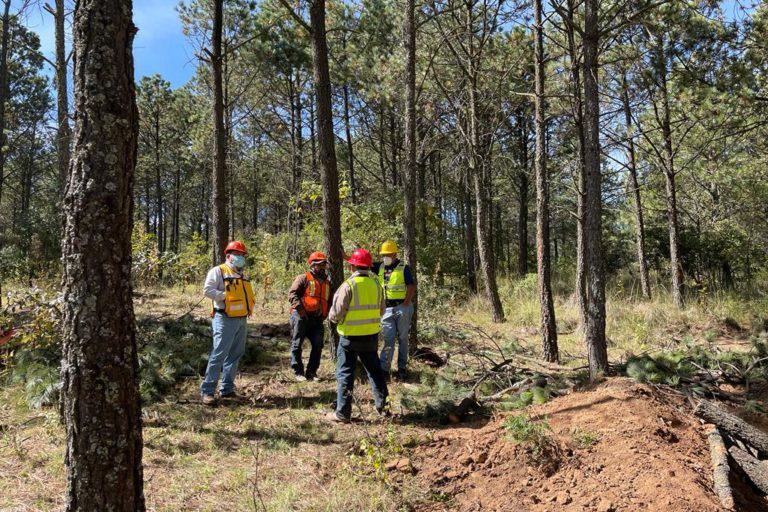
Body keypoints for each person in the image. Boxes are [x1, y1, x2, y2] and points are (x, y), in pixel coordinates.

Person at [326, 248, 389, 423]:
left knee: (345, 374)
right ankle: (385, 408)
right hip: (370, 337)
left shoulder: (348, 285)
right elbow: (382, 310)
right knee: (375, 372)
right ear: (368, 267)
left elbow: (336, 313)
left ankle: (343, 413)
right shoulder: (377, 285)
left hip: (350, 338)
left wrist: (335, 320)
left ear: (352, 267)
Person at [200, 240, 255, 405]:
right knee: (219, 354)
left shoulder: (240, 274)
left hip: (241, 319)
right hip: (224, 318)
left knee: (235, 354)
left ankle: (227, 389)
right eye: (237, 254)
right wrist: (226, 296)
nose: (240, 257)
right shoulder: (218, 271)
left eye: (242, 255)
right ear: (228, 256)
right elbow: (207, 291)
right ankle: (207, 392)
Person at [374, 240, 416, 380]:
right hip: (386, 309)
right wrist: (345, 256)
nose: (385, 256)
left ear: (394, 254)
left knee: (403, 339)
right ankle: (384, 370)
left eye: (388, 254)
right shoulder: (380, 267)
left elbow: (411, 286)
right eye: (383, 254)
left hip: (401, 308)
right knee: (388, 339)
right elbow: (362, 263)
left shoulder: (403, 267)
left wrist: (405, 303)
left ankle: (402, 368)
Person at [288, 251, 330, 381]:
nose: (322, 267)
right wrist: (301, 310)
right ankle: (298, 372)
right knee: (297, 344)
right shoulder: (303, 278)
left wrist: (325, 314)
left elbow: (329, 301)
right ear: (312, 265)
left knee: (318, 345)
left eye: (323, 264)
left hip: (317, 319)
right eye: (319, 265)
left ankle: (311, 372)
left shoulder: (327, 283)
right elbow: (292, 295)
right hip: (301, 316)